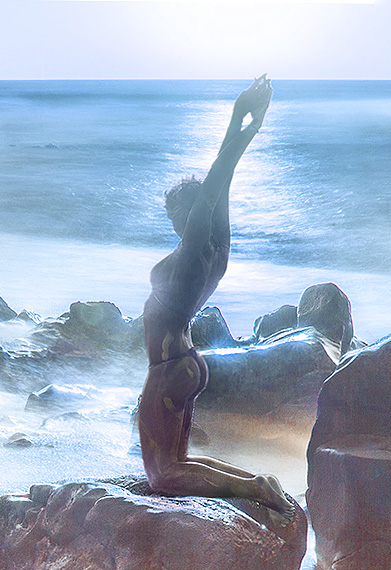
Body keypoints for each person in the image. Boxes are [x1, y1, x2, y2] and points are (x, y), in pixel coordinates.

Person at [138, 76, 297, 517]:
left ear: (191, 215)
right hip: (188, 365)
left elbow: (214, 185)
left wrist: (238, 118)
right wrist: (249, 123)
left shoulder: (191, 254)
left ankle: (256, 488)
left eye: (177, 215)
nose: (173, 223)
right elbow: (220, 192)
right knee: (178, 463)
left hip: (170, 371)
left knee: (164, 476)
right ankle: (252, 482)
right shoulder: (217, 250)